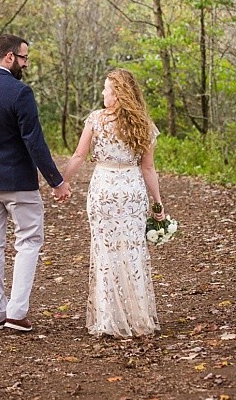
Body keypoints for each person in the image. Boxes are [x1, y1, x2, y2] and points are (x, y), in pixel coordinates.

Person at [0, 34, 72, 333]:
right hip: (19, 182)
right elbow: (34, 141)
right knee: (29, 242)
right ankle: (16, 313)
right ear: (9, 57)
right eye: (24, 58)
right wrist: (56, 181)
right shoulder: (20, 92)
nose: (26, 64)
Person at [61, 68, 163, 338]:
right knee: (132, 251)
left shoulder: (96, 120)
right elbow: (148, 169)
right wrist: (158, 203)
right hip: (131, 191)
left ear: (117, 94)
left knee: (105, 252)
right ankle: (135, 317)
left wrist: (62, 181)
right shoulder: (144, 124)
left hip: (104, 190)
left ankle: (109, 318)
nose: (103, 93)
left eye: (106, 89)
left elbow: (79, 156)